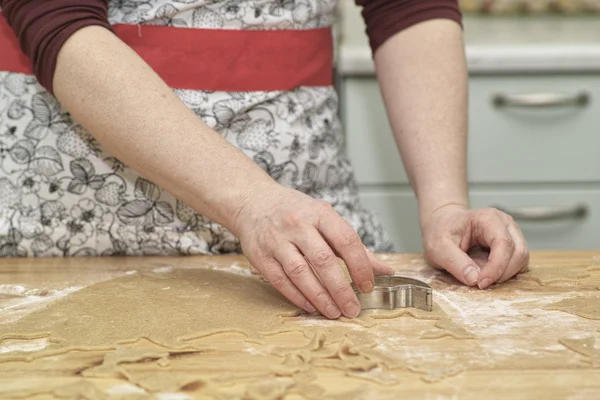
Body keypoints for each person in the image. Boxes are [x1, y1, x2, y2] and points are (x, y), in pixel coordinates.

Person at [0, 0, 529, 320]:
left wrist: (444, 206)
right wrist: (251, 200)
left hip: (308, 223)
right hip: (80, 220)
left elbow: (406, 8)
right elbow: (56, 16)